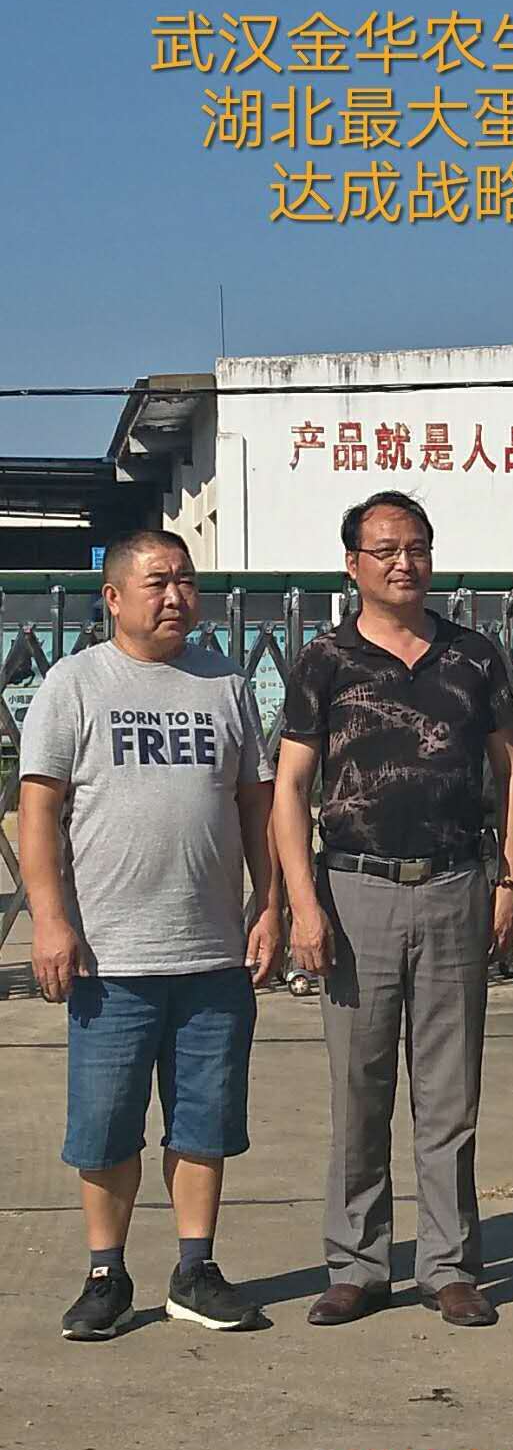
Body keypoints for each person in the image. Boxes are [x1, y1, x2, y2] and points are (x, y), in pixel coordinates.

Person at [273, 491, 513, 1329]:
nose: (403, 563)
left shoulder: (473, 655)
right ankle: (356, 1264)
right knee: (360, 1087)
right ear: (353, 565)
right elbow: (290, 788)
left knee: (450, 1093)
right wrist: (303, 904)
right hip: (355, 891)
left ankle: (449, 1265)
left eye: (416, 547)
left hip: (456, 885)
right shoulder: (325, 660)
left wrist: (510, 882)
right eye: (384, 550)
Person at [19, 529, 281, 1341]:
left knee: (206, 1122)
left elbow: (256, 806)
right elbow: (38, 810)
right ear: (113, 597)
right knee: (105, 1128)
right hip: (110, 958)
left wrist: (270, 903)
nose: (176, 596)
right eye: (158, 581)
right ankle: (106, 1274)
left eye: (186, 581)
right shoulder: (75, 684)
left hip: (212, 953)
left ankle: (195, 1270)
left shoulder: (224, 683)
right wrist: (50, 920)